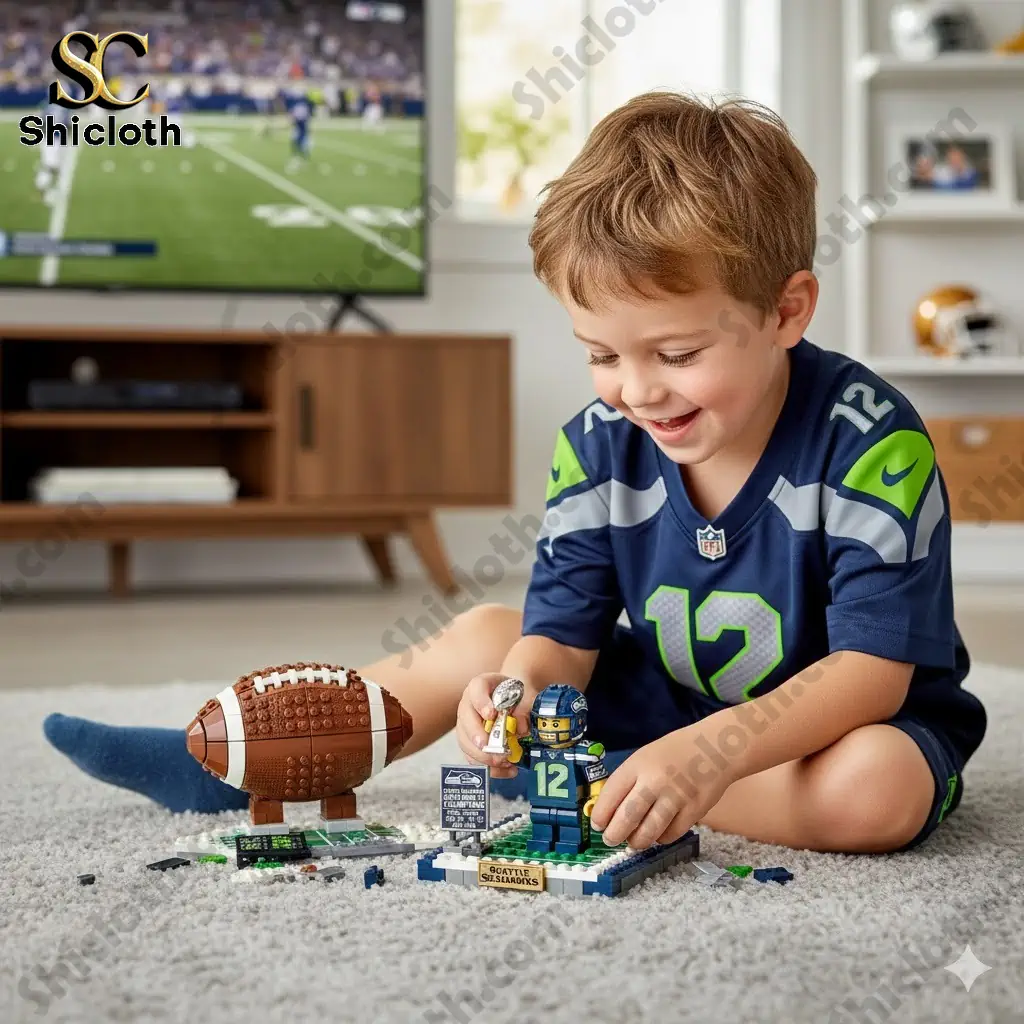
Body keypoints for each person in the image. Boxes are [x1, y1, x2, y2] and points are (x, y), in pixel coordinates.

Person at [43, 92, 985, 854]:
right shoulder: (600, 438)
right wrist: (523, 692)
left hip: (833, 730)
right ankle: (236, 761)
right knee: (488, 635)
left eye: (677, 352)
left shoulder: (869, 442)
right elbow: (560, 639)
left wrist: (708, 758)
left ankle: (608, 782)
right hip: (666, 695)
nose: (637, 391)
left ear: (788, 311)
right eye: (601, 356)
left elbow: (871, 675)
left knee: (877, 794)